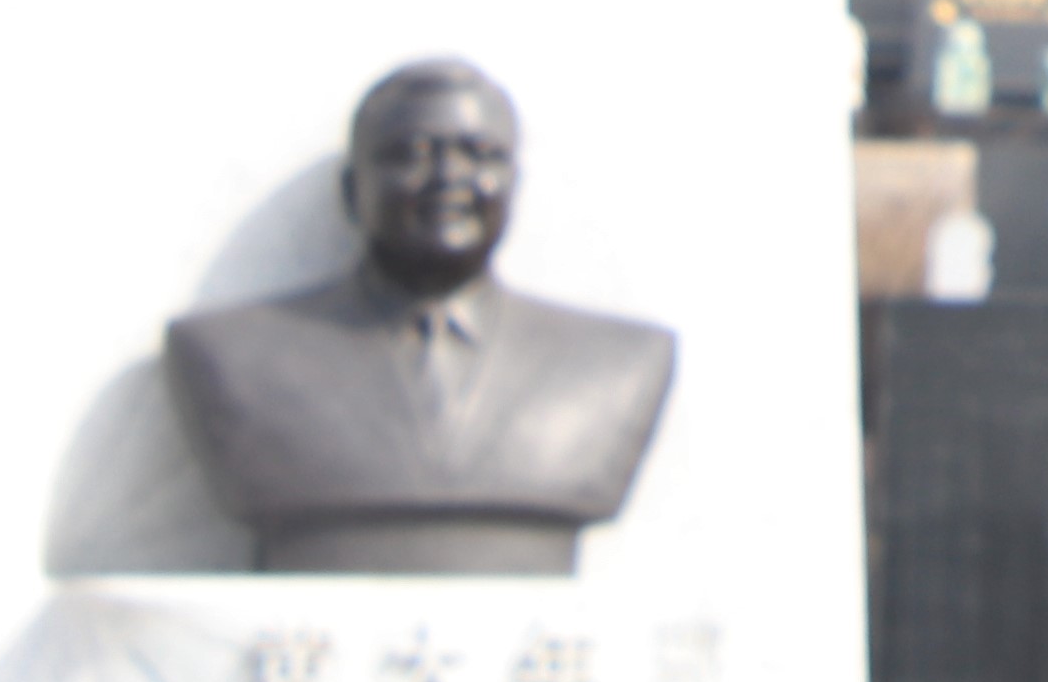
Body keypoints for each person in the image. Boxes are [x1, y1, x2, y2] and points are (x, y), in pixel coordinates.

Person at [164, 59, 678, 575]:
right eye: (411, 154)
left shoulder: (619, 362)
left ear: (514, 185)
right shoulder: (236, 356)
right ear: (351, 190)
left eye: (479, 154)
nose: (448, 178)